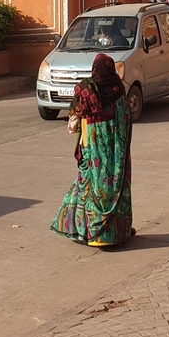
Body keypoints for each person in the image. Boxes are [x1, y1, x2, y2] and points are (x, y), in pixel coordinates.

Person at [51, 53, 134, 248]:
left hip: (91, 148)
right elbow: (126, 120)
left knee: (89, 185)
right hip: (116, 153)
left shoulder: (86, 89)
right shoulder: (119, 89)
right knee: (116, 187)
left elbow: (74, 117)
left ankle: (88, 231)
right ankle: (116, 234)